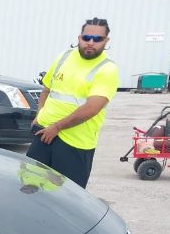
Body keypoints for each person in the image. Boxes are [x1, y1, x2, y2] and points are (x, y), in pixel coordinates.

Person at [28, 18, 120, 188]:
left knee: (67, 195)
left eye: (98, 39)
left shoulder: (107, 69)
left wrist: (56, 127)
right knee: (29, 185)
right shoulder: (64, 57)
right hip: (43, 133)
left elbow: (92, 108)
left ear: (106, 41)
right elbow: (47, 89)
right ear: (79, 38)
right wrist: (39, 115)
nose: (91, 43)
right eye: (87, 38)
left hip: (75, 142)